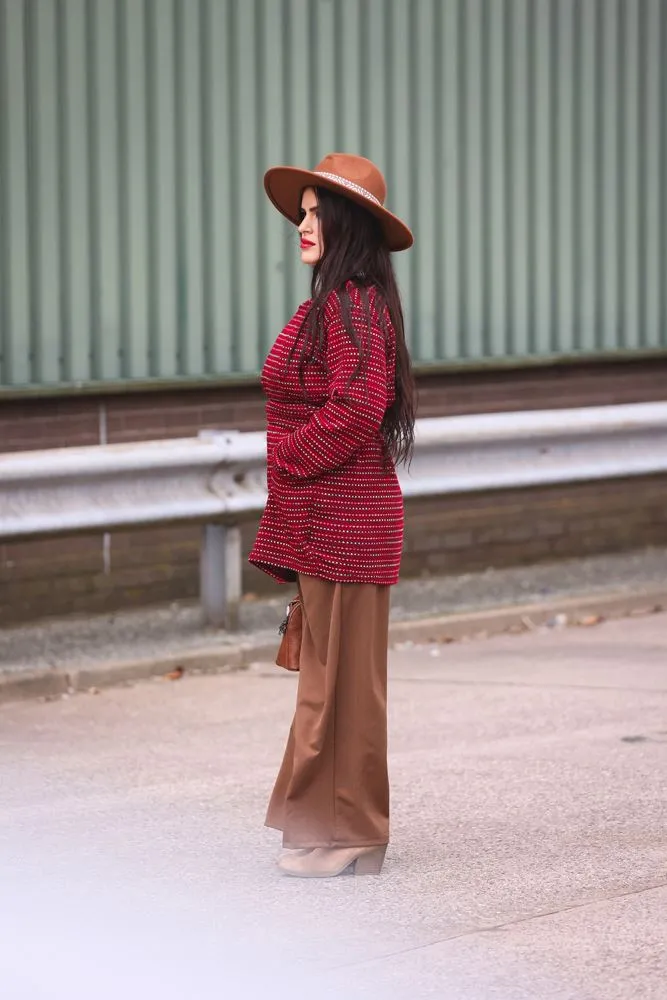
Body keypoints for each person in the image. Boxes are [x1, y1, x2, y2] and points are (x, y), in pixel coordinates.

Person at [249, 153, 415, 878]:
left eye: (317, 212)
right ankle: (328, 830)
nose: (302, 223)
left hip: (347, 522)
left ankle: (349, 834)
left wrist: (286, 457)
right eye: (302, 211)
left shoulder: (348, 304)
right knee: (327, 685)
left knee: (343, 691)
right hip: (329, 522)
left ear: (348, 225)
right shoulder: (340, 303)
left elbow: (357, 406)